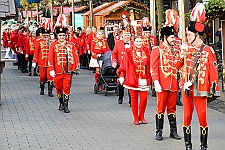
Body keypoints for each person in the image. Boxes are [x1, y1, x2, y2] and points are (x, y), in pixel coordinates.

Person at [175, 3, 220, 150]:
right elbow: (176, 66)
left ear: (197, 35)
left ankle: (203, 145)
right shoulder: (185, 49)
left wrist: (213, 90)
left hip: (200, 89)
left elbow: (213, 71)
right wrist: (181, 54)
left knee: (202, 117)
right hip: (187, 88)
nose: (187, 36)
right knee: (186, 117)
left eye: (189, 34)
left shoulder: (208, 50)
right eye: (187, 34)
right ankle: (188, 145)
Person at [150, 9, 181, 141]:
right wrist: (156, 81)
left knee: (172, 108)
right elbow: (153, 67)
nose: (174, 39)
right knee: (160, 108)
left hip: (173, 84)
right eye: (172, 37)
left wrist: (183, 56)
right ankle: (159, 131)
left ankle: (173, 131)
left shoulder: (176, 51)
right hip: (162, 84)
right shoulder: (157, 50)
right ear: (165, 37)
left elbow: (178, 66)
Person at [49, 14, 80, 113]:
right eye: (60, 35)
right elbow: (50, 58)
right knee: (58, 88)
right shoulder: (53, 45)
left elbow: (75, 56)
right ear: (57, 36)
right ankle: (61, 102)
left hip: (68, 70)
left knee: (66, 87)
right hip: (57, 71)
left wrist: (76, 67)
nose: (62, 37)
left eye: (63, 35)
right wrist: (51, 69)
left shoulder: (71, 45)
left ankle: (66, 105)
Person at [117, 36, 151, 125]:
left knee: (144, 99)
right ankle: (136, 118)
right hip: (132, 79)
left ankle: (142, 116)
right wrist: (121, 76)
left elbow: (150, 65)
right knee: (134, 99)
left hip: (143, 79)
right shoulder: (128, 52)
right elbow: (123, 65)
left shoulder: (146, 52)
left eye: (140, 41)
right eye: (137, 41)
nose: (139, 43)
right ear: (134, 42)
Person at [32, 24, 55, 97]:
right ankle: (42, 89)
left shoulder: (53, 42)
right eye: (44, 35)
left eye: (47, 35)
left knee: (50, 77)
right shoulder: (38, 41)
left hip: (50, 63)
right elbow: (36, 51)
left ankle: (50, 91)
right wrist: (34, 61)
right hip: (41, 62)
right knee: (42, 77)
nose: (46, 37)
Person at [112, 27, 133, 105]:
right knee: (121, 82)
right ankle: (120, 97)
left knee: (130, 83)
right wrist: (114, 62)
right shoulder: (118, 43)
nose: (127, 37)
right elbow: (114, 53)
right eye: (125, 35)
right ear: (122, 36)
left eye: (128, 35)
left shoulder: (133, 43)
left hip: (130, 67)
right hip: (121, 66)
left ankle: (131, 100)